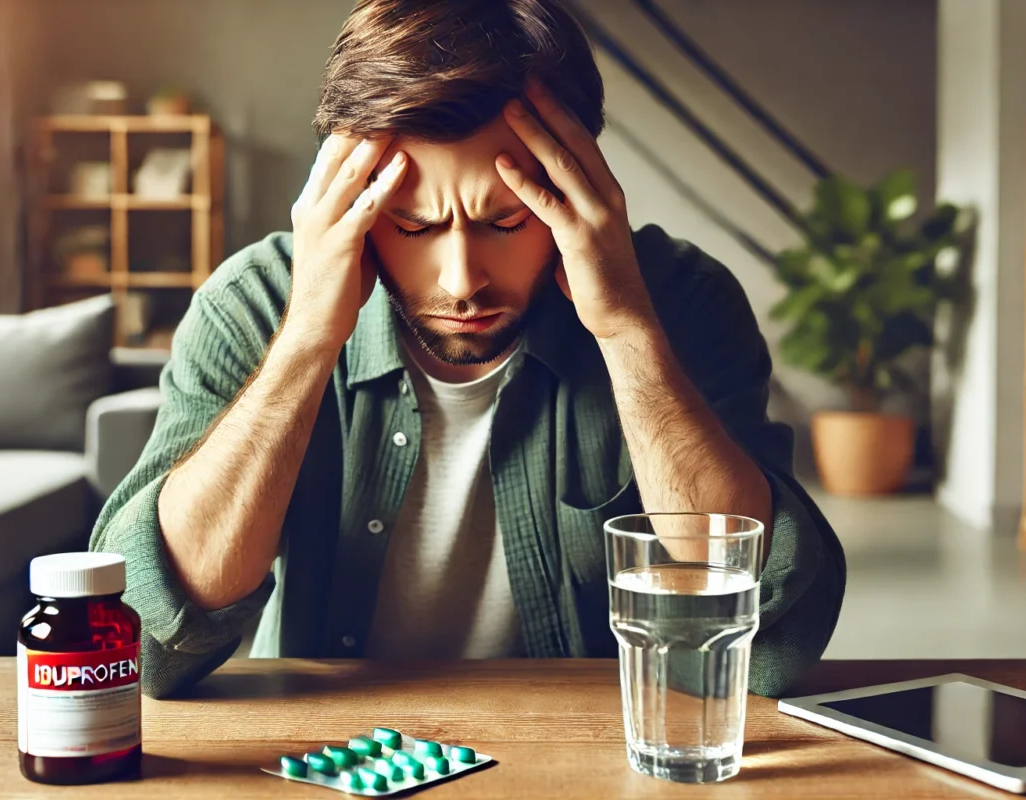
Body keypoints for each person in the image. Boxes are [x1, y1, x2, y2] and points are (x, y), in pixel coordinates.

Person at [91, 0, 845, 699]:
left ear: (583, 184)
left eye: (508, 221)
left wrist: (625, 331)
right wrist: (304, 343)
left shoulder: (681, 302)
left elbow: (768, 643)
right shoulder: (253, 304)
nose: (461, 281)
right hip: (345, 758)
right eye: (413, 226)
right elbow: (147, 648)